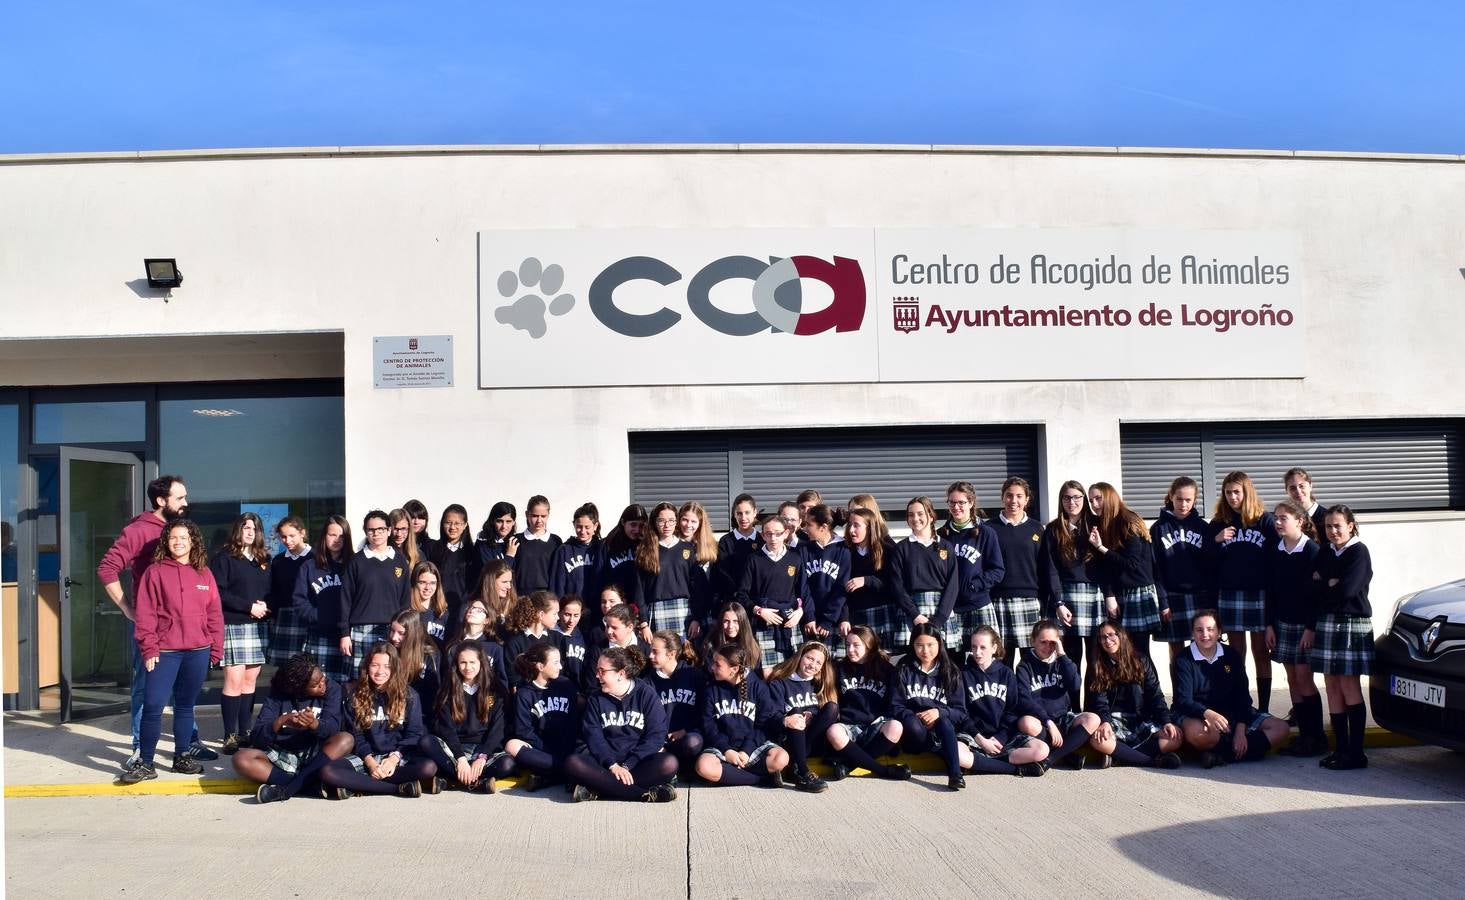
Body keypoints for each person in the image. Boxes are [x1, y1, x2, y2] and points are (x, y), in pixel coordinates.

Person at [97, 474, 214, 768]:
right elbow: (107, 568)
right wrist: (128, 609)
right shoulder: (138, 531)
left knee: (184, 694)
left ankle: (188, 745)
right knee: (146, 690)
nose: (186, 502)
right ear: (162, 501)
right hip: (153, 629)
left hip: (186, 632)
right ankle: (140, 748)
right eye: (180, 498)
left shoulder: (180, 530)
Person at [117, 518, 224, 784]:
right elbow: (145, 615)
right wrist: (149, 647)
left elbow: (214, 614)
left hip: (197, 650)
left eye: (184, 538)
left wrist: (215, 648)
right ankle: (146, 762)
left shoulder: (204, 573)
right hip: (164, 651)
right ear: (166, 541)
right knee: (153, 706)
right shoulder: (155, 572)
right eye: (173, 538)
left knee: (186, 707)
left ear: (193, 542)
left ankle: (182, 756)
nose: (178, 542)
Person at [1171, 610, 1288, 768]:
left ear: (1219, 632)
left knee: (1281, 728)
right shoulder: (1183, 659)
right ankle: (1245, 751)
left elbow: (1243, 696)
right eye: (1199, 630)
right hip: (1197, 714)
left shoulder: (1231, 655)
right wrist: (1208, 713)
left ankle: (1218, 754)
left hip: (1231, 714)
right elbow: (1183, 701)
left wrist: (1240, 730)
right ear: (1192, 632)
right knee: (1198, 733)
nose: (1205, 634)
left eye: (1210, 629)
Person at [320, 642, 437, 798]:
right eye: (375, 665)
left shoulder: (409, 695)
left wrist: (393, 760)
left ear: (395, 668)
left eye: (387, 666)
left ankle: (358, 785)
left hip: (398, 756)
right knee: (327, 771)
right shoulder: (354, 694)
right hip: (367, 756)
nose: (380, 671)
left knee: (428, 768)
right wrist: (370, 763)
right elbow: (356, 735)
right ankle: (398, 789)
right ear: (367, 667)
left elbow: (414, 735)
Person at [235, 653, 354, 803]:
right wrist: (280, 721)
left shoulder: (333, 689)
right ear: (298, 688)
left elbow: (332, 728)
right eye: (315, 685)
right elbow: (257, 737)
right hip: (284, 753)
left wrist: (314, 724)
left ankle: (287, 789)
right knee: (241, 759)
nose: (323, 685)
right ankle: (310, 785)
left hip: (317, 753)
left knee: (346, 739)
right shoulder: (278, 694)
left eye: (322, 678)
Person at [566, 646, 678, 802]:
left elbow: (657, 735)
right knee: (573, 763)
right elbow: (594, 736)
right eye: (597, 670)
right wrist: (612, 765)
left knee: (669, 763)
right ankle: (644, 794)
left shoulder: (646, 694)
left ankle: (598, 789)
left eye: (602, 671)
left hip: (637, 763)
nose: (597, 676)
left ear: (621, 674)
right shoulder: (596, 699)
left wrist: (628, 765)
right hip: (605, 765)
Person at [1312, 505, 1375, 770]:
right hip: (1327, 622)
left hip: (1352, 623)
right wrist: (1328, 584)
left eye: (1338, 525)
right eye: (1328, 526)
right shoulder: (1325, 551)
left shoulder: (1359, 552)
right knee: (1332, 685)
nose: (1333, 531)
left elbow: (1348, 589)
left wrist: (1326, 584)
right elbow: (1311, 585)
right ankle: (1340, 750)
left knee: (1349, 686)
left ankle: (1356, 753)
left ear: (1351, 525)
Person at [1209, 471, 1276, 713]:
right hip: (1229, 593)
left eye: (1237, 492)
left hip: (1258, 593)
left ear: (1247, 492)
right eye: (1228, 492)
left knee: (1261, 651)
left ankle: (1265, 708)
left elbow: (1275, 558)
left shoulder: (1264, 520)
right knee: (1236, 653)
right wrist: (1215, 540)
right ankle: (1241, 704)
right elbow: (1207, 561)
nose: (1232, 497)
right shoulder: (1218, 523)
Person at [1266, 500, 1326, 757]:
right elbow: (1271, 591)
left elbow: (1317, 596)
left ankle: (1316, 738)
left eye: (1283, 518)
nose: (1278, 522)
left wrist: (1310, 628)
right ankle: (1303, 736)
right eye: (1276, 518)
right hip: (1282, 624)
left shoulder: (1312, 551)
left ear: (1300, 521)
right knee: (1291, 679)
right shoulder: (1276, 550)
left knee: (1304, 678)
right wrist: (1269, 624)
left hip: (1304, 626)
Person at [211, 512, 272, 754]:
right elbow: (218, 593)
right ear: (238, 530)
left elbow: (270, 590)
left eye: (254, 528)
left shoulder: (263, 559)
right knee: (233, 681)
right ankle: (229, 735)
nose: (250, 532)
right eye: (246, 527)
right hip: (233, 625)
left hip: (257, 626)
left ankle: (246, 731)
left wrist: (267, 607)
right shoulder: (224, 558)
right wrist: (249, 607)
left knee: (249, 681)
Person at [1087, 482, 1168, 662]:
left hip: (1139, 592)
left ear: (1110, 497)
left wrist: (1101, 547)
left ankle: (1152, 691)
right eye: (1091, 500)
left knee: (1139, 652)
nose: (1094, 504)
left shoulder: (1128, 521)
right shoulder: (1101, 524)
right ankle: (1132, 690)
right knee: (1121, 653)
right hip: (1120, 593)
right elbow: (1104, 567)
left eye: (1098, 498)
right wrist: (1109, 594)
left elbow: (1131, 563)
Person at [1084, 622, 1183, 768]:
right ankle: (1152, 762)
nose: (1107, 640)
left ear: (1121, 636)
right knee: (1098, 741)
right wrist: (1105, 721)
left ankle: (1119, 757)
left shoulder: (1141, 660)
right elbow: (1099, 701)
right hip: (1113, 720)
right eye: (1102, 637)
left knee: (1175, 738)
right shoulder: (1097, 665)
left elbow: (1155, 695)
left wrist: (1166, 721)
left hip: (1140, 718)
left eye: (1111, 635)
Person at [957, 626, 1050, 780]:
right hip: (974, 735)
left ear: (994, 648)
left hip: (1002, 736)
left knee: (1041, 750)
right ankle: (1012, 769)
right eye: (974, 647)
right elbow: (962, 713)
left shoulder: (1006, 673)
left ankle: (980, 764)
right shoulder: (963, 674)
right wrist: (981, 739)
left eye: (983, 647)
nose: (977, 652)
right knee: (958, 753)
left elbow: (1013, 711)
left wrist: (1000, 737)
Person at [423, 640, 515, 793]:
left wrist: (483, 756)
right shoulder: (448, 688)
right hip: (454, 750)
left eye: (472, 662)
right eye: (463, 663)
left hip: (483, 749)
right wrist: (460, 758)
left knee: (507, 764)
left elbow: (498, 729)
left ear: (481, 662)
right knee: (426, 742)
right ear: (457, 664)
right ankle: (477, 783)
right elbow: (446, 728)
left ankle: (451, 780)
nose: (468, 667)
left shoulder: (495, 688)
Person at [694, 643, 790, 787]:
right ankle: (761, 779)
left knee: (781, 758)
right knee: (704, 767)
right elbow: (708, 726)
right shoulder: (711, 690)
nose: (712, 667)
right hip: (723, 747)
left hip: (752, 747)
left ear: (734, 669)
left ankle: (731, 775)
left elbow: (763, 725)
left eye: (717, 665)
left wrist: (746, 751)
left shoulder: (758, 688)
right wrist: (727, 750)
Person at [825, 626, 910, 781]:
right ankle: (884, 771)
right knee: (833, 732)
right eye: (847, 645)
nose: (850, 650)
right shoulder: (839, 669)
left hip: (875, 727)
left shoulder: (887, 670)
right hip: (849, 728)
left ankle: (848, 764)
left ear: (869, 645)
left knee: (896, 727)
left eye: (856, 645)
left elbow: (894, 703)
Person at [1039, 480, 1105, 678]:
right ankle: (1072, 707)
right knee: (1071, 657)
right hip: (1066, 597)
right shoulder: (1053, 529)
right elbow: (1050, 569)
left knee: (1095, 659)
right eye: (1067, 498)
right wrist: (1058, 602)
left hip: (1094, 595)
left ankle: (1094, 708)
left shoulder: (1097, 525)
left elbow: (1108, 563)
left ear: (1084, 499)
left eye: (1077, 497)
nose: (1072, 502)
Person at [891, 623, 970, 790]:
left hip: (941, 730)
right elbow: (895, 706)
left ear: (939, 644)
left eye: (930, 645)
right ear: (912, 645)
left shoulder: (951, 671)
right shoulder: (903, 669)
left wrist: (938, 712)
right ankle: (940, 750)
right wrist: (916, 716)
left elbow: (961, 712)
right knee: (912, 724)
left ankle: (955, 774)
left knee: (944, 722)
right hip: (913, 733)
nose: (925, 651)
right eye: (919, 645)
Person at [1015, 620, 1099, 770]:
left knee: (1092, 719)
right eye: (1043, 642)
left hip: (1063, 718)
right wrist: (1048, 721)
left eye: (1052, 643)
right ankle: (1067, 754)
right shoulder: (1024, 666)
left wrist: (1062, 654)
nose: (1048, 647)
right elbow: (1024, 699)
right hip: (1041, 722)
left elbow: (1075, 685)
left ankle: (1051, 759)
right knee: (1026, 723)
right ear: (1033, 641)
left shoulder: (1062, 661)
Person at [339, 509, 411, 679]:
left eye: (380, 529)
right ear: (366, 532)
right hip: (360, 629)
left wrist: (404, 631)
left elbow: (405, 600)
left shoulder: (400, 560)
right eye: (371, 530)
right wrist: (344, 633)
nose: (376, 533)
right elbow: (345, 599)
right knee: (360, 679)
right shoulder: (356, 561)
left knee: (389, 677)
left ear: (388, 530)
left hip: (391, 631)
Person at [936, 481, 1006, 648]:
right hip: (950, 607)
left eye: (961, 502)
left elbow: (998, 570)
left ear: (971, 502)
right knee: (954, 661)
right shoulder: (941, 535)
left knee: (982, 659)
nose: (956, 507)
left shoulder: (986, 533)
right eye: (952, 502)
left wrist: (974, 585)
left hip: (978, 604)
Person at [1151, 477, 1212, 662]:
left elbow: (1210, 567)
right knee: (1176, 654)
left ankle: (1202, 691)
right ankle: (1180, 691)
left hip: (1199, 596)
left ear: (1195, 500)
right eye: (1179, 499)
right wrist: (1163, 601)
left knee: (1202, 649)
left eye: (1188, 500)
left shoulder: (1203, 527)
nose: (1183, 504)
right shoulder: (1158, 528)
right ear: (1171, 497)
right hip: (1171, 597)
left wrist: (1210, 600)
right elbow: (1155, 569)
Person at [766, 641, 838, 792]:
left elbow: (825, 715)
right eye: (810, 658)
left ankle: (796, 765)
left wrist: (812, 713)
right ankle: (803, 772)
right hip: (787, 739)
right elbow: (771, 716)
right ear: (800, 657)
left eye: (818, 662)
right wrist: (788, 718)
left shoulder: (818, 684)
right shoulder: (780, 682)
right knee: (796, 712)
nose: (813, 665)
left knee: (832, 707)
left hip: (811, 741)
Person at [890, 496, 960, 649]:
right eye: (910, 514)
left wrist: (940, 618)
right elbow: (897, 586)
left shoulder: (946, 546)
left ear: (931, 515)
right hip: (912, 613)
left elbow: (953, 585)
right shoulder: (901, 548)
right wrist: (915, 615)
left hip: (942, 610)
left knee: (946, 662)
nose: (915, 518)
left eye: (920, 513)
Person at [506, 643, 578, 791]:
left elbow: (573, 721)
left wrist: (564, 748)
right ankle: (564, 773)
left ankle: (549, 777)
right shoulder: (524, 693)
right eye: (556, 662)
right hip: (542, 750)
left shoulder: (565, 685)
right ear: (540, 666)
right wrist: (546, 749)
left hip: (567, 746)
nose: (560, 667)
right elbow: (524, 731)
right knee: (511, 745)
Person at [989, 477, 1044, 666]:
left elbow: (1044, 567)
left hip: (1029, 600)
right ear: (1002, 498)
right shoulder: (989, 528)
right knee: (1003, 659)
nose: (1014, 501)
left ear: (1027, 499)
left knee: (1031, 659)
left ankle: (1029, 696)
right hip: (998, 600)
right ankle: (1007, 696)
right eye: (1009, 495)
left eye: (1019, 496)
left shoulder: (1037, 528)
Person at [736, 515, 804, 672]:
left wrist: (800, 612)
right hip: (763, 623)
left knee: (793, 669)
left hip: (790, 621)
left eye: (778, 533)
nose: (773, 538)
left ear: (786, 533)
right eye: (768, 533)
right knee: (769, 673)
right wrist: (759, 610)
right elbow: (742, 595)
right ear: (762, 535)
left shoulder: (795, 557)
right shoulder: (754, 559)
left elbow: (802, 591)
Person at [633, 502, 707, 640]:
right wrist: (643, 623)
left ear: (676, 521)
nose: (667, 525)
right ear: (654, 522)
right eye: (661, 520)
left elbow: (698, 588)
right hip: (655, 612)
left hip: (685, 613)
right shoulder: (644, 550)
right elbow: (639, 590)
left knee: (684, 657)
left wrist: (696, 618)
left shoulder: (688, 549)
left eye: (671, 520)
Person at [297, 515, 354, 682]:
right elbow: (300, 602)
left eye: (342, 536)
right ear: (324, 536)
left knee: (347, 687)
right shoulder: (309, 566)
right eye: (332, 535)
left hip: (347, 636)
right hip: (319, 634)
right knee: (317, 684)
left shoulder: (354, 565)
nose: (337, 540)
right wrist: (320, 617)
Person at [644, 630, 707, 768]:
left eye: (655, 652)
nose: (650, 655)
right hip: (661, 740)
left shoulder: (694, 675)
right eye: (650, 651)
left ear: (671, 654)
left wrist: (686, 730)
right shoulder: (647, 682)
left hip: (689, 736)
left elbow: (704, 712)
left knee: (692, 742)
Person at [843, 508, 895, 648]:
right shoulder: (846, 552)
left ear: (870, 527)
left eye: (856, 525)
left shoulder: (887, 550)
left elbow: (893, 584)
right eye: (849, 525)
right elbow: (841, 590)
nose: (851, 530)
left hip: (881, 610)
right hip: (856, 613)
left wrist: (866, 580)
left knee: (881, 658)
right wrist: (845, 617)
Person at [265, 516, 312, 667]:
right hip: (284, 616)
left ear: (302, 533)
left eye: (292, 536)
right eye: (283, 537)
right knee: (286, 668)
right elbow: (274, 590)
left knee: (308, 666)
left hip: (309, 616)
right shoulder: (278, 560)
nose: (287, 540)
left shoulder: (316, 557)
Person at [800, 504, 850, 640]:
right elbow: (803, 587)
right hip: (809, 620)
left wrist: (829, 619)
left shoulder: (844, 549)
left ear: (823, 527)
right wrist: (809, 616)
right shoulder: (803, 549)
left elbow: (842, 588)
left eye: (809, 524)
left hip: (834, 619)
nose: (804, 528)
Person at [428, 503, 480, 626]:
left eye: (457, 523)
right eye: (448, 523)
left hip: (462, 611)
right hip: (437, 609)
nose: (452, 527)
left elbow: (474, 585)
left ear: (465, 525)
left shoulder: (473, 552)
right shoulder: (433, 548)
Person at [503, 591, 563, 688]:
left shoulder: (557, 638)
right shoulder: (516, 641)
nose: (558, 617)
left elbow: (561, 670)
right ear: (541, 614)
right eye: (555, 613)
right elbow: (513, 676)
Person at [389, 608, 440, 715]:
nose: (394, 637)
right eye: (392, 631)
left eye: (401, 633)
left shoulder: (429, 656)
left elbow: (433, 691)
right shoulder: (389, 651)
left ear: (413, 633)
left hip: (421, 713)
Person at [714, 493, 761, 608]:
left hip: (758, 602)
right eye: (739, 513)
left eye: (747, 513)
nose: (743, 518)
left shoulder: (762, 540)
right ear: (734, 515)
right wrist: (738, 594)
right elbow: (723, 572)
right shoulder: (726, 541)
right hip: (733, 602)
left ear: (755, 512)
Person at [549, 502, 601, 601]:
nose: (582, 531)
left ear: (595, 526)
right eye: (579, 526)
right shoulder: (563, 550)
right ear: (574, 524)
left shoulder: (601, 549)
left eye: (587, 527)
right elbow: (557, 585)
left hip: (596, 609)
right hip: (571, 611)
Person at [701, 601, 763, 681]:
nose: (730, 626)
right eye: (726, 621)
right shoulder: (711, 644)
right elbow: (709, 674)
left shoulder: (752, 647)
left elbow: (755, 678)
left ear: (743, 623)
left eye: (735, 621)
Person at [513, 495, 561, 595]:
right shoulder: (516, 540)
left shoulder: (555, 541)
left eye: (543, 516)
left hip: (546, 597)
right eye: (535, 516)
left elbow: (558, 573)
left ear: (548, 515)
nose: (539, 520)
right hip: (520, 596)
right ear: (527, 514)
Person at [408, 560, 451, 647]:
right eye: (422, 582)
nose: (428, 587)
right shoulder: (407, 610)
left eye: (432, 583)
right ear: (414, 583)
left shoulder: (442, 612)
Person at [553, 594, 589, 686]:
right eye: (567, 614)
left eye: (576, 615)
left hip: (576, 690)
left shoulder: (584, 637)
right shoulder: (550, 634)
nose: (571, 620)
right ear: (559, 613)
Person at [474, 501, 520, 568]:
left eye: (508, 521)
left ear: (513, 522)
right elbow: (494, 575)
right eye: (499, 521)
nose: (504, 526)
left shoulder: (515, 542)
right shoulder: (483, 544)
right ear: (492, 521)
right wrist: (509, 555)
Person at [1284, 467, 1328, 535]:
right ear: (1287, 491)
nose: (1298, 491)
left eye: (1301, 486)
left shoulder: (1326, 517)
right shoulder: (1286, 519)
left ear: (1310, 486)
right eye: (1292, 488)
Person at [387, 507, 421, 574]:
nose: (399, 534)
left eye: (403, 529)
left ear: (409, 529)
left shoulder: (418, 555)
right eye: (395, 529)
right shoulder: (381, 554)